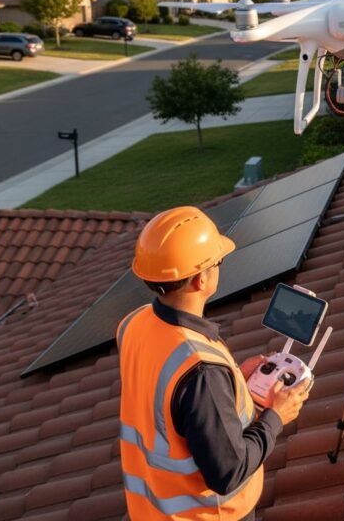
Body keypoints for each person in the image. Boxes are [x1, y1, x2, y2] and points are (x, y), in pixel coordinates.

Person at [117, 206, 310, 520]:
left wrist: (233, 383)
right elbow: (228, 473)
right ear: (199, 280)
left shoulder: (134, 323)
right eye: (217, 261)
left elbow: (168, 402)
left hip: (149, 510)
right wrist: (276, 417)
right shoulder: (201, 371)